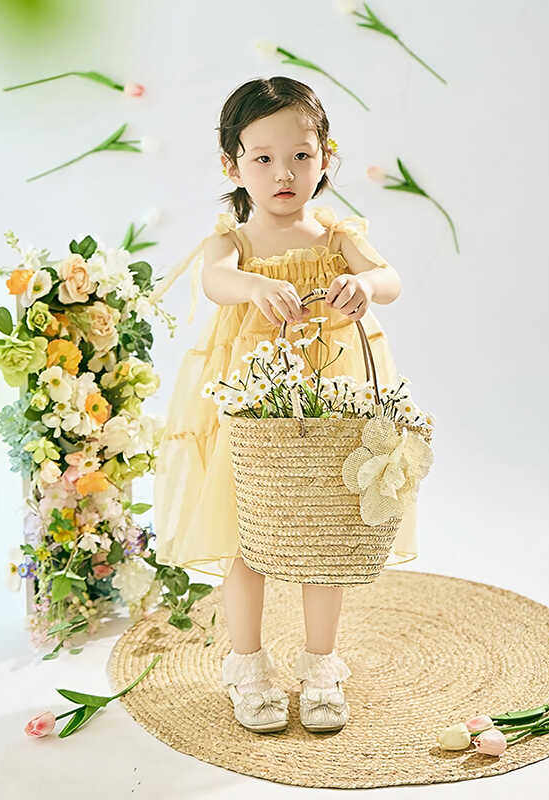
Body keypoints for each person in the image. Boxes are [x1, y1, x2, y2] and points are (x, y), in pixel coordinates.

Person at [150, 76, 412, 734]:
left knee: (325, 529)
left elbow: (390, 278)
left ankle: (321, 663)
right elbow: (215, 280)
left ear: (326, 156)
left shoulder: (336, 236)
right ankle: (247, 662)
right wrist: (251, 286)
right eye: (262, 158)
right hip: (252, 402)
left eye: (300, 155)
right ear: (232, 166)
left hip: (329, 393)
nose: (283, 173)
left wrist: (364, 285)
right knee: (249, 529)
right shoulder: (233, 242)